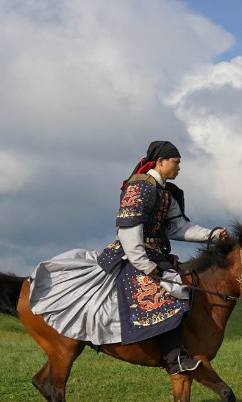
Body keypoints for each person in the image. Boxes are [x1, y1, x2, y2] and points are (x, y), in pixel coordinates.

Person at [96, 140, 228, 374]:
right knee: (164, 295)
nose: (179, 167)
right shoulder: (140, 187)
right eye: (175, 162)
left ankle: (182, 351)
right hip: (132, 256)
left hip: (156, 255)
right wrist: (145, 265)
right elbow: (128, 231)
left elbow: (178, 227)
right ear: (160, 161)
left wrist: (213, 235)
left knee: (184, 287)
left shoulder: (166, 192)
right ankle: (174, 358)